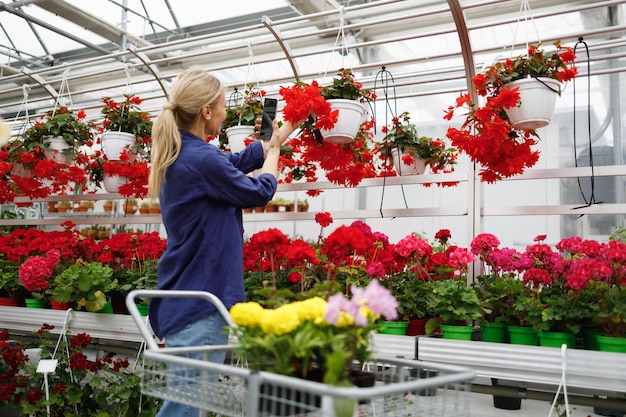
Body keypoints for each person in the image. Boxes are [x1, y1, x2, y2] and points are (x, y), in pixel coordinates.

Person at [147, 67, 299, 417]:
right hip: (201, 299)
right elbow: (259, 191)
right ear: (206, 111)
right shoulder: (201, 159)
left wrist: (282, 133)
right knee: (184, 408)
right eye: (223, 105)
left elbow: (236, 161)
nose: (226, 113)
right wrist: (273, 155)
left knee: (189, 404)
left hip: (189, 295)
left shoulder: (186, 154)